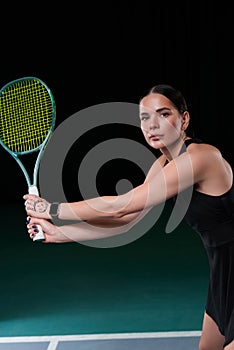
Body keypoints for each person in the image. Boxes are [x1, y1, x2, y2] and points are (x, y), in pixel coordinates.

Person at [24, 84, 234, 350]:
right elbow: (127, 220)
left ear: (184, 119)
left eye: (164, 114)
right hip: (223, 275)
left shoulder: (202, 157)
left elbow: (123, 204)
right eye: (145, 118)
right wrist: (61, 233)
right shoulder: (162, 166)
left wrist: (52, 210)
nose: (153, 125)